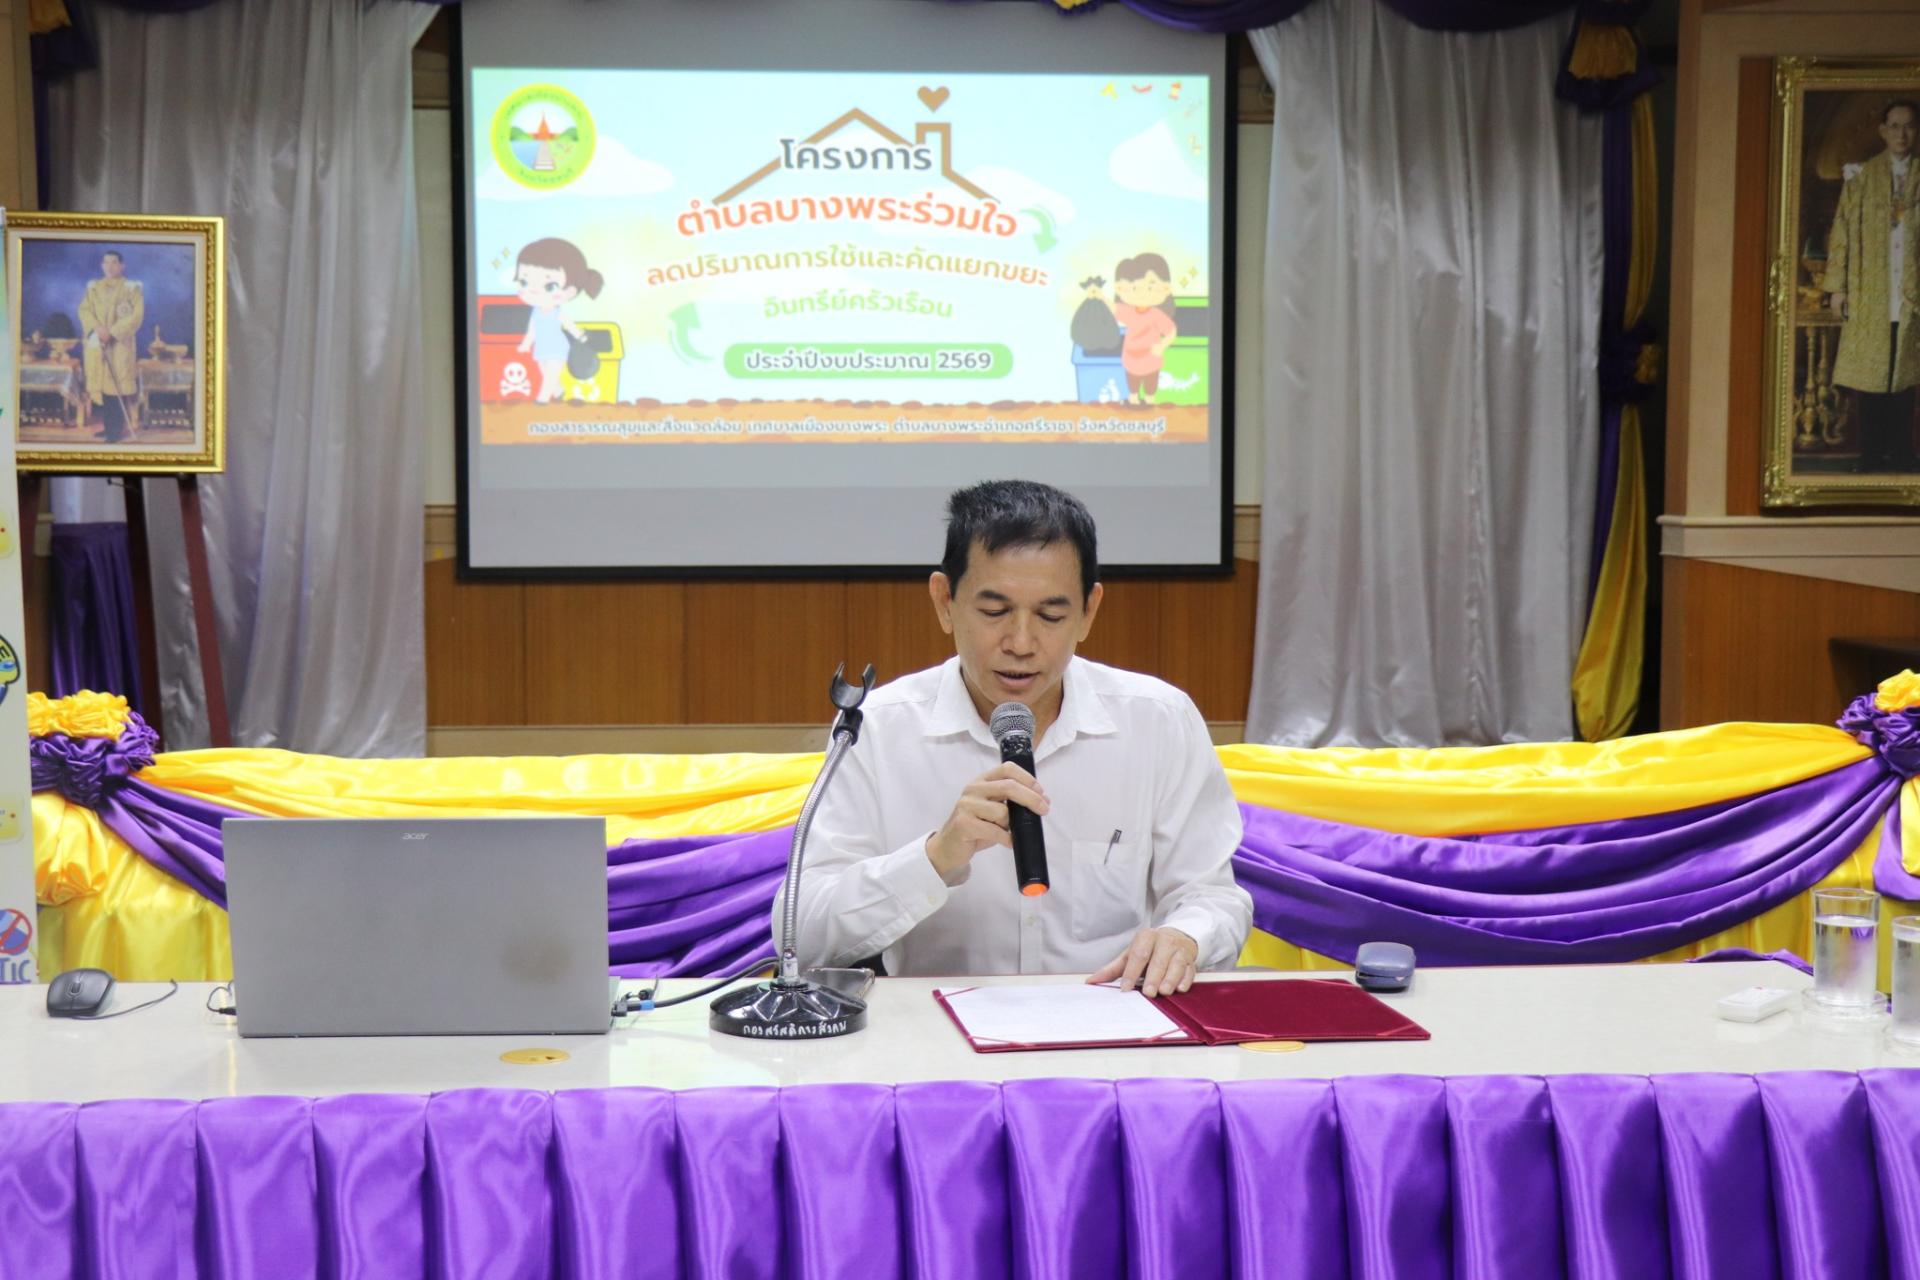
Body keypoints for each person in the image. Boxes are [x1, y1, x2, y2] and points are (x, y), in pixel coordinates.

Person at [776, 480, 1252, 996]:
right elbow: (800, 933)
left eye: (1051, 616)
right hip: (934, 1027)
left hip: (1115, 1018)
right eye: (994, 612)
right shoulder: (877, 728)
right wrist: (934, 858)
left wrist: (1186, 936)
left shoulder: (1157, 720)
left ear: (1089, 611)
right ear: (944, 602)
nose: (1021, 643)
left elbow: (1214, 896)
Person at [1824, 100, 1919, 472]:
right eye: (1894, 126)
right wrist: (1838, 287)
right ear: (1882, 131)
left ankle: (1902, 453)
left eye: (1908, 126)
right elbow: (1842, 232)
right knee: (1872, 374)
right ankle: (1871, 454)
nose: (1901, 134)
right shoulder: (1861, 177)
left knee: (1905, 376)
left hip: (1910, 293)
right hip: (1871, 290)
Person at [512, 237, 603, 403]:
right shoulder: (535, 312)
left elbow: (569, 325)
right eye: (524, 282)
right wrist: (526, 343)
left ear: (570, 291)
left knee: (550, 375)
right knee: (546, 373)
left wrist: (581, 336)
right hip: (541, 347)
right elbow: (532, 330)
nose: (533, 290)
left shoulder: (558, 313)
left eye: (549, 286)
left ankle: (542, 400)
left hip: (557, 347)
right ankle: (559, 392)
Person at [79, 250, 144, 442]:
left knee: (116, 387)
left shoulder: (131, 289)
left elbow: (136, 316)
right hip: (98, 342)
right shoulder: (93, 288)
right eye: (106, 262)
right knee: (104, 388)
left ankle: (116, 431)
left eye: (114, 262)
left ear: (122, 265)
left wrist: (113, 332)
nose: (110, 266)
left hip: (119, 345)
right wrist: (97, 328)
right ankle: (108, 428)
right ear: (102, 266)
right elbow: (84, 310)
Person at [1108, 252, 1179, 405]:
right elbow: (1112, 308)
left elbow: (1171, 331)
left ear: (1166, 288)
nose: (1141, 293)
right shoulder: (1129, 312)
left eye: (1150, 287)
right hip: (1131, 357)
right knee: (1133, 383)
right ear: (1120, 289)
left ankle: (1149, 402)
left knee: (1150, 384)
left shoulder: (1156, 315)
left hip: (1151, 358)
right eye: (1134, 287)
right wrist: (1098, 295)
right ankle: (1133, 400)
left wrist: (1162, 346)